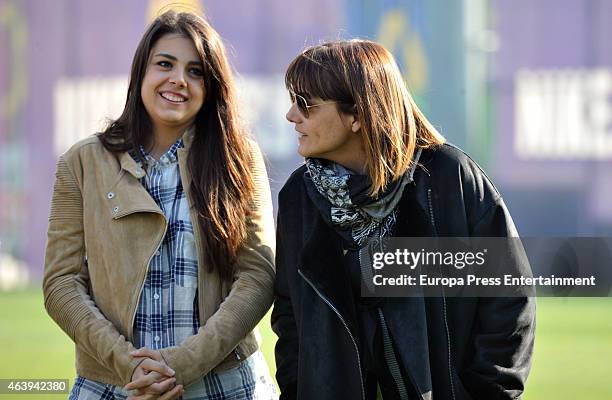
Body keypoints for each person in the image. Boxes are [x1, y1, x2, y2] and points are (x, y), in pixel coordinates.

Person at [271, 39, 535, 400]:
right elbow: (290, 319)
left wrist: (485, 393)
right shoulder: (297, 198)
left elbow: (508, 297)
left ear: (357, 115)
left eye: (306, 105)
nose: (291, 115)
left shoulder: (450, 178)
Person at [43, 10, 277, 400]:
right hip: (116, 386)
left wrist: (182, 365)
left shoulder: (239, 158)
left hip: (225, 386)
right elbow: (61, 283)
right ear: (141, 74)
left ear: (212, 86)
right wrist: (130, 365)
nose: (178, 80)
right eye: (164, 64)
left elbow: (257, 275)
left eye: (196, 71)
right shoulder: (81, 163)